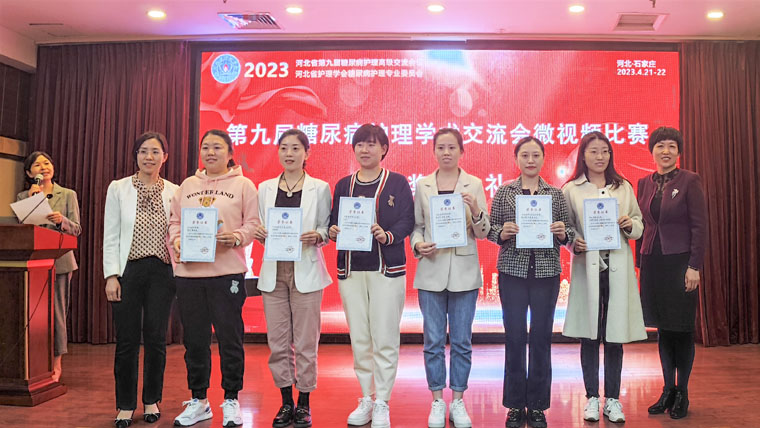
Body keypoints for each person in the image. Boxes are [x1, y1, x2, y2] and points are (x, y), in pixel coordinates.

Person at [169, 129, 260, 428]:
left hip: (227, 273)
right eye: (205, 147)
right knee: (194, 340)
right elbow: (175, 222)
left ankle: (231, 399)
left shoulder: (244, 185)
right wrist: (178, 241)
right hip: (190, 274)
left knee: (229, 338)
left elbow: (252, 224)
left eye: (217, 147)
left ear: (230, 153)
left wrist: (235, 237)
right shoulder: (187, 185)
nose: (210, 152)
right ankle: (199, 400)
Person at [327, 123, 414, 428]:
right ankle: (366, 396)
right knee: (360, 338)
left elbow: (407, 220)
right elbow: (333, 222)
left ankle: (382, 402)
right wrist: (333, 231)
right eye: (360, 144)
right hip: (351, 270)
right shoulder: (343, 185)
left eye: (371, 144)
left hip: (386, 270)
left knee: (385, 337)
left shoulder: (397, 183)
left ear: (384, 149)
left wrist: (388, 235)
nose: (364, 150)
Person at [487, 136, 574, 428]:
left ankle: (537, 406)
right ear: (516, 159)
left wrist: (562, 233)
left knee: (541, 339)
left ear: (543, 158)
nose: (530, 160)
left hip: (546, 273)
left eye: (536, 155)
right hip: (512, 272)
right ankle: (514, 405)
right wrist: (502, 232)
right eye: (524, 155)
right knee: (514, 338)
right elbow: (491, 229)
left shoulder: (555, 194)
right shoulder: (504, 192)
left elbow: (570, 233)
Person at [561, 131, 647, 424]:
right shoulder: (571, 189)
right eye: (594, 151)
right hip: (588, 268)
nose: (600, 157)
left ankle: (612, 399)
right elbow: (566, 228)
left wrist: (629, 224)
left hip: (617, 267)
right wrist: (574, 242)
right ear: (583, 155)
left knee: (614, 336)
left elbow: (639, 224)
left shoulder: (623, 187)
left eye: (605, 151)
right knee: (589, 335)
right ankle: (591, 397)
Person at [410, 128, 490, 428]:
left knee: (461, 341)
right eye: (441, 147)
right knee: (432, 341)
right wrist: (418, 244)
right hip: (431, 271)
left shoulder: (474, 184)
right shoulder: (423, 184)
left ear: (461, 151)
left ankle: (457, 400)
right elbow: (417, 227)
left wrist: (476, 209)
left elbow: (483, 232)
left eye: (452, 147)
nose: (446, 152)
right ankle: (436, 400)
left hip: (464, 274)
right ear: (433, 151)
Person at [252, 129, 332, 428]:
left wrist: (318, 236)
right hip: (274, 272)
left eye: (296, 148)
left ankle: (304, 403)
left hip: (306, 271)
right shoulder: (264, 188)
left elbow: (326, 228)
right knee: (278, 342)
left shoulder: (319, 188)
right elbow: (260, 226)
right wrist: (259, 233)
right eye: (284, 147)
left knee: (306, 342)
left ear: (307, 153)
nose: (289, 153)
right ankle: (286, 402)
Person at [103, 132, 179, 427]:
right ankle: (125, 405)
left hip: (162, 272)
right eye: (144, 151)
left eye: (155, 152)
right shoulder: (118, 188)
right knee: (127, 340)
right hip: (128, 271)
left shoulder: (175, 191)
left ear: (165, 157)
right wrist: (111, 275)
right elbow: (111, 235)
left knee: (156, 339)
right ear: (135, 155)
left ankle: (151, 400)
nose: (149, 157)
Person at [637, 127, 706, 419]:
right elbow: (642, 224)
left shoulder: (690, 180)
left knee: (682, 328)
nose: (665, 151)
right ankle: (667, 389)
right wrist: (639, 264)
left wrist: (694, 266)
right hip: (652, 263)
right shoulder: (643, 183)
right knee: (664, 328)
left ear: (679, 152)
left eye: (671, 146)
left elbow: (699, 226)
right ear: (652, 151)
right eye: (660, 146)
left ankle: (683, 392)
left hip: (680, 263)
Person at [16, 151, 81, 383]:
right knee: (33, 314)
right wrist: (31, 201)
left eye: (46, 163)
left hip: (60, 263)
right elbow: (21, 230)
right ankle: (34, 362)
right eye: (37, 165)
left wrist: (62, 221)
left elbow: (77, 229)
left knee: (56, 313)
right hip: (32, 264)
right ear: (28, 173)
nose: (43, 167)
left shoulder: (67, 195)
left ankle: (56, 363)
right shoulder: (23, 196)